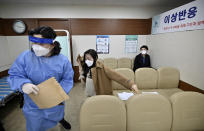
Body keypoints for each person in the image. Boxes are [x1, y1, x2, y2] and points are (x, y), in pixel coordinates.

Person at [8, 26, 74, 131]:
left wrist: (59, 93)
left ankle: (61, 119)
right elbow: (15, 74)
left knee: (57, 116)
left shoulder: (63, 61)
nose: (36, 47)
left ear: (52, 45)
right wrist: (23, 84)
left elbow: (67, 79)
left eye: (41, 43)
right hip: (33, 104)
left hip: (54, 101)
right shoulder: (25, 57)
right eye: (34, 43)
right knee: (35, 125)